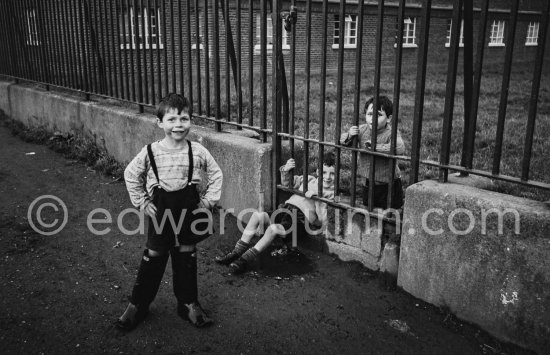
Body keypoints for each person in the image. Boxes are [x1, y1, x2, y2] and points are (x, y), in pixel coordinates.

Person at [116, 93, 223, 330]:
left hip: (189, 209)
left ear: (191, 121)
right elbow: (131, 175)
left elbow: (216, 174)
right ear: (160, 123)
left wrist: (207, 202)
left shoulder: (197, 151)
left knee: (186, 252)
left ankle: (188, 303)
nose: (178, 125)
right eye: (172, 119)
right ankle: (138, 305)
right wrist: (142, 202)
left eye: (184, 119)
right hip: (161, 211)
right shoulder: (150, 152)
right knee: (154, 253)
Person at [215, 153, 335, 274]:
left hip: (300, 221)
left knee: (273, 229)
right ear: (319, 171)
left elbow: (321, 221)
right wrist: (287, 170)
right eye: (324, 172)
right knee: (257, 215)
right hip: (285, 210)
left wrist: (318, 200)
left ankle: (243, 260)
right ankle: (235, 253)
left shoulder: (330, 194)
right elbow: (287, 183)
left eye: (332, 173)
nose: (328, 177)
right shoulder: (309, 179)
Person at [340, 95, 405, 209]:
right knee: (370, 212)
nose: (373, 118)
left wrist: (376, 147)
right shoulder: (362, 129)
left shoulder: (391, 132)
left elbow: (399, 147)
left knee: (391, 214)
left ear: (389, 118)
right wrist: (350, 135)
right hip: (368, 184)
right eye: (370, 114)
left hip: (389, 185)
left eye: (379, 115)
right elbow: (342, 141)